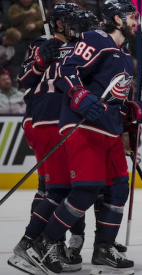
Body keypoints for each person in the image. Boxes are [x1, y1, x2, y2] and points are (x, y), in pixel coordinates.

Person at [25, 1, 142, 274]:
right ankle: (44, 244)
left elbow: (113, 97)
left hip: (110, 130)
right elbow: (67, 68)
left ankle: (104, 248)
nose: (137, 20)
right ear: (117, 19)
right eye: (132, 16)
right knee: (86, 189)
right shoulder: (97, 39)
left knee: (118, 189)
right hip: (84, 128)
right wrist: (78, 94)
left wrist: (131, 110)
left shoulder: (125, 54)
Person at [8, 8, 102, 275]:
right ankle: (42, 243)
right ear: (57, 23)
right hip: (45, 120)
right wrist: (40, 60)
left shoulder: (81, 47)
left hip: (66, 121)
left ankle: (54, 241)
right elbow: (24, 80)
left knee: (68, 186)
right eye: (66, 20)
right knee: (54, 188)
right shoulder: (42, 43)